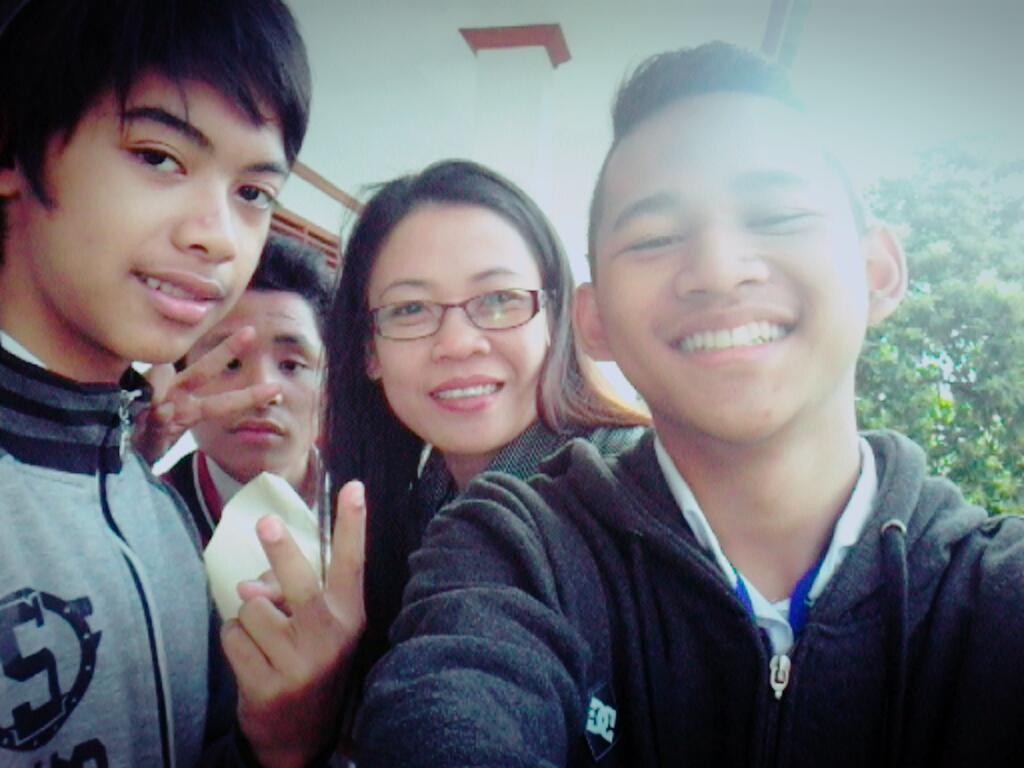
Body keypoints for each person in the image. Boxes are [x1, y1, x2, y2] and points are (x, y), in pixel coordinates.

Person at [353, 43, 1024, 766]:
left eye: (777, 215)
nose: (718, 270)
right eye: (656, 238)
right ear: (595, 320)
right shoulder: (510, 547)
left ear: (878, 271)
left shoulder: (992, 592)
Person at [0, 0, 325, 765]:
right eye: (158, 156)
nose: (217, 237)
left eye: (253, 193)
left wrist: (281, 744)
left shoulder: (157, 510)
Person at [315, 159, 648, 709]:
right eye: (410, 308)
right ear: (370, 350)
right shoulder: (419, 496)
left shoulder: (629, 491)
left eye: (498, 299)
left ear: (554, 319)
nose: (458, 343)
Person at [160, 233, 333, 546]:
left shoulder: (385, 512)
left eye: (291, 365)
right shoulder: (140, 516)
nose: (263, 391)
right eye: (230, 363)